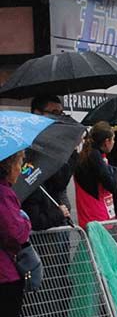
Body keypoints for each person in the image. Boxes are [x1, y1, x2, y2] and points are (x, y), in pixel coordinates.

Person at [0, 150, 46, 317]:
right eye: (18, 163)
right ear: (7, 166)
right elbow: (15, 232)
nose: (21, 168)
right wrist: (25, 221)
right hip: (5, 274)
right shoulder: (4, 194)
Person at [22, 95, 76, 230]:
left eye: (61, 113)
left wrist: (72, 151)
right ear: (37, 113)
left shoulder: (56, 140)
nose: (59, 118)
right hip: (40, 220)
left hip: (59, 216)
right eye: (54, 113)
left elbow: (61, 182)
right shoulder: (28, 144)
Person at [75, 122, 117, 227]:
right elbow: (111, 184)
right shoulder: (94, 156)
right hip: (96, 215)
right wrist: (115, 170)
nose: (114, 143)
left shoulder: (89, 154)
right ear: (107, 141)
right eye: (113, 139)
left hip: (93, 213)